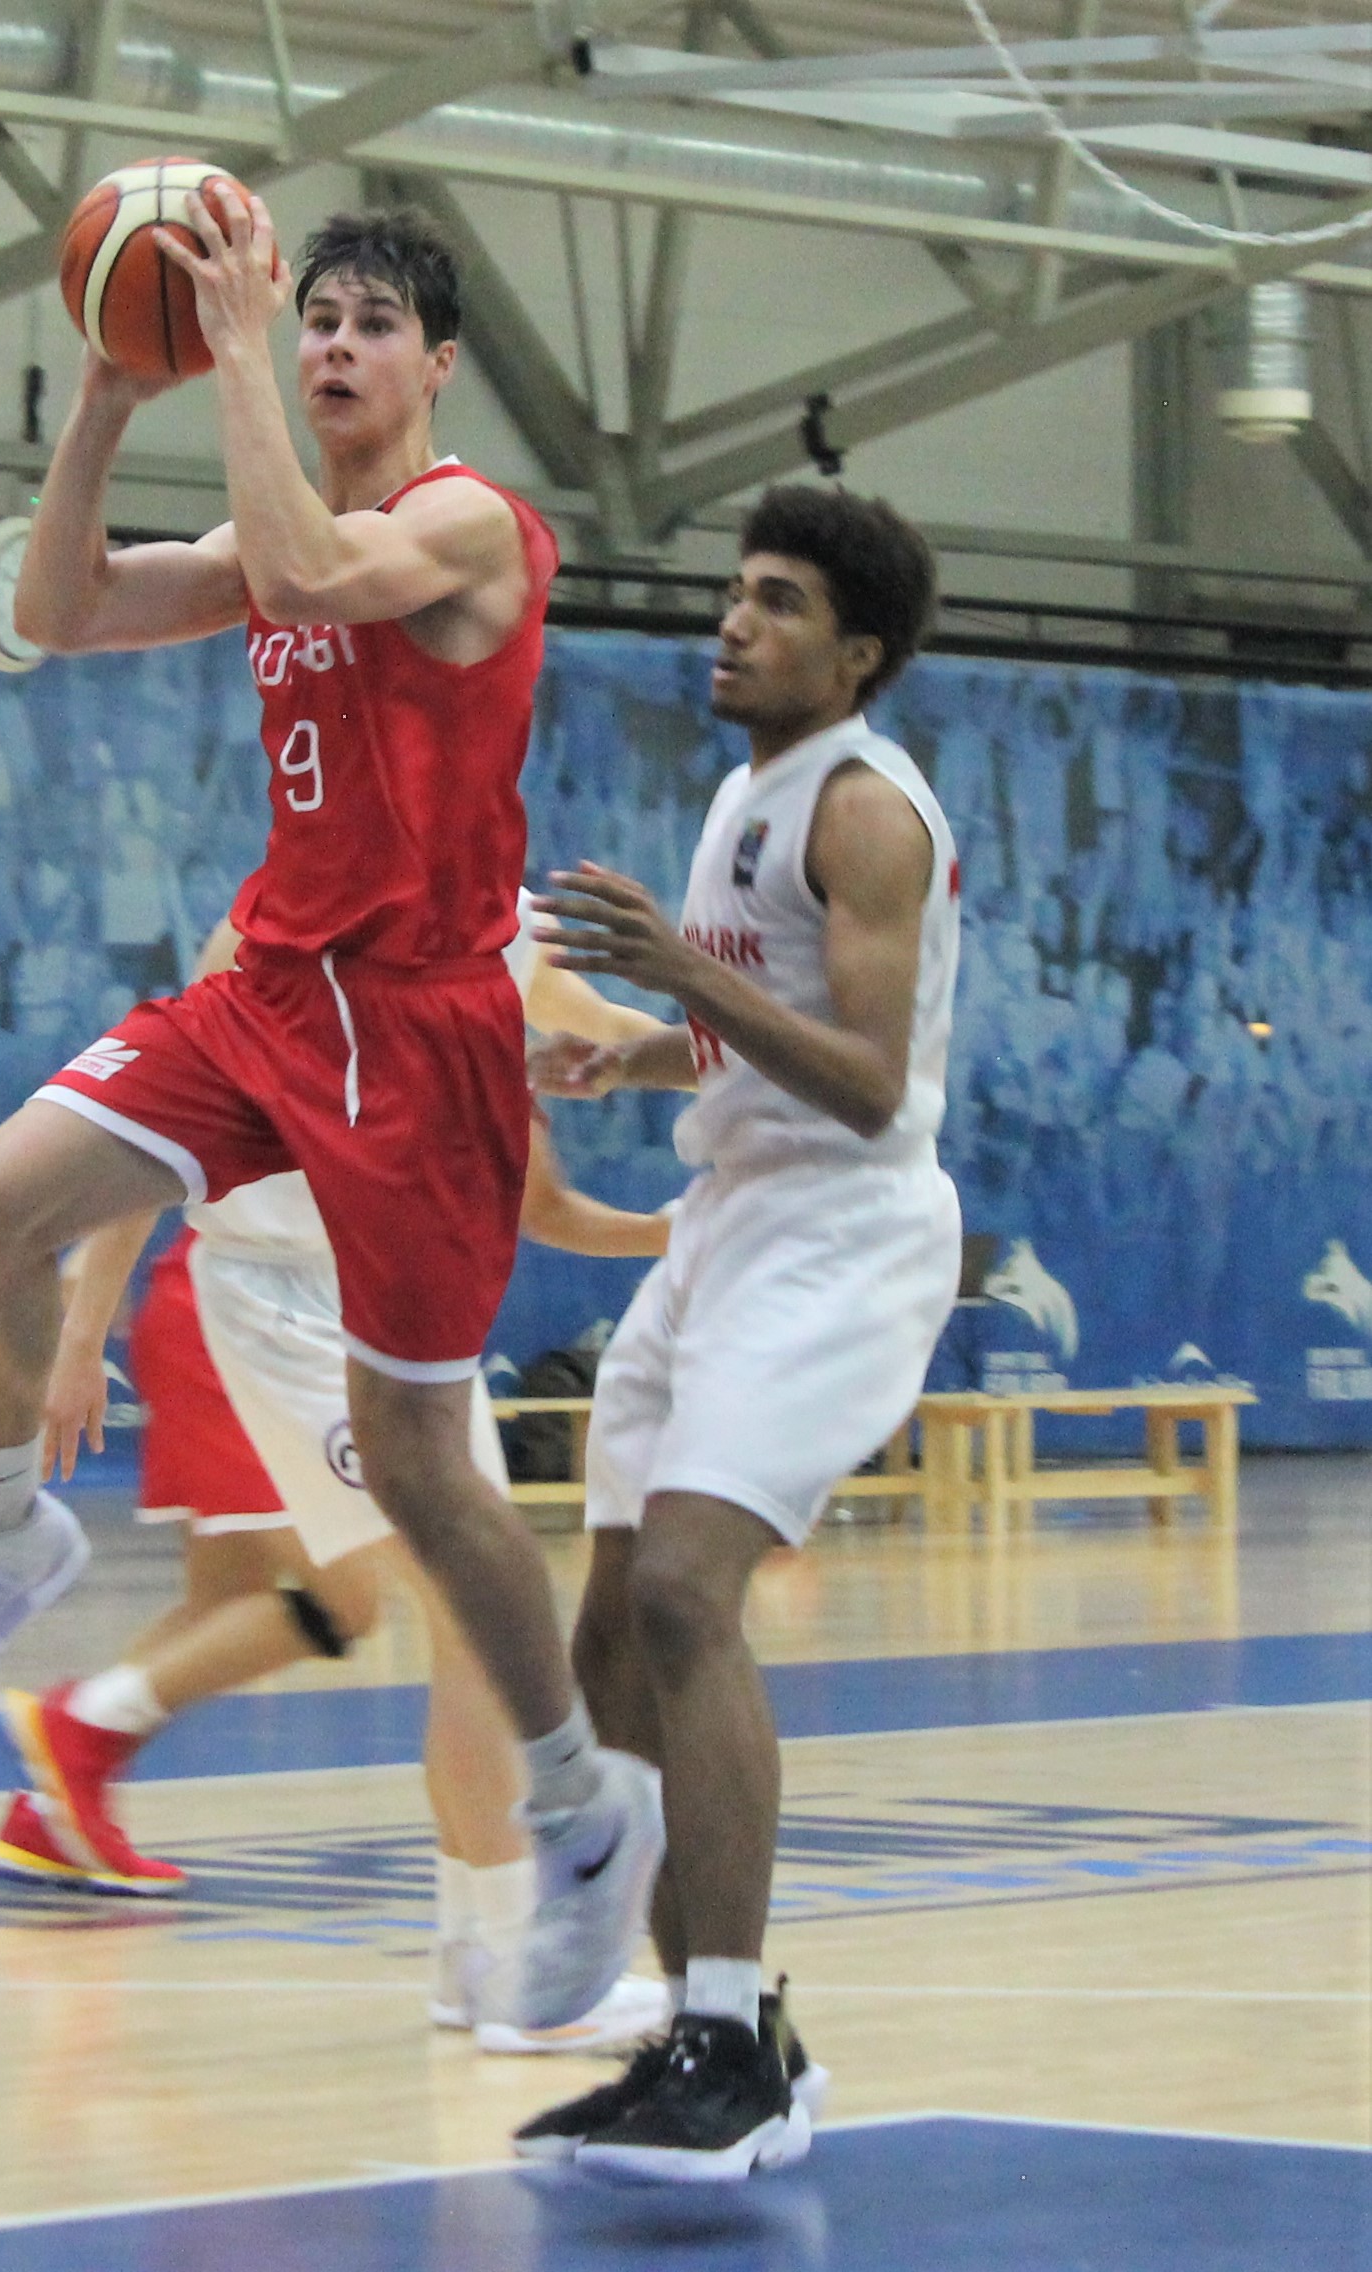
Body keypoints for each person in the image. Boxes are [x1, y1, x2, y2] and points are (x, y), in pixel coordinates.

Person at [0, 196, 661, 2032]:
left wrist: (217, 352)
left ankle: (568, 1801)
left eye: (371, 323)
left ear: (436, 365)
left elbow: (305, 576)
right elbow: (55, 610)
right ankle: (2, 1535)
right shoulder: (276, 527)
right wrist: (103, 397)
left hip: (423, 1030)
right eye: (312, 320)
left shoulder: (472, 525)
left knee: (432, 1485)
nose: (326, 346)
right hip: (269, 994)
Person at [0, 906, 673, 2059]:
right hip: (286, 1299)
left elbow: (606, 1033)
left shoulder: (495, 920)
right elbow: (150, 1136)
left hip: (397, 1298)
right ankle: (514, 1961)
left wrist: (760, 1065)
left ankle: (479, 1954)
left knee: (474, 1620)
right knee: (462, 1613)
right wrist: (80, 1328)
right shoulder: (266, 927)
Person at [513, 484, 955, 2182]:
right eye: (732, 591)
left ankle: (722, 2041)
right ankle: (724, 2030)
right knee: (613, 1633)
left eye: (776, 601)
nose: (734, 619)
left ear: (853, 654)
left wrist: (678, 989)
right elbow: (751, 1033)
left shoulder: (861, 811)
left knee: (693, 1592)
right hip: (723, 1232)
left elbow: (862, 1079)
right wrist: (630, 1052)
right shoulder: (745, 793)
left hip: (836, 1237)